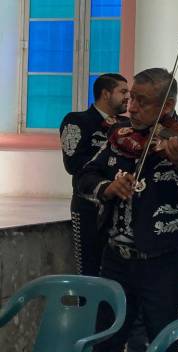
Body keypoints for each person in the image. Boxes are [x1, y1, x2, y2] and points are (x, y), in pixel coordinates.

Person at [78, 68, 178, 351]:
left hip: (164, 263)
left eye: (143, 101)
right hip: (116, 259)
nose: (133, 107)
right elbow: (86, 177)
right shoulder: (119, 135)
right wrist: (107, 188)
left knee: (166, 340)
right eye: (131, 99)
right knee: (106, 339)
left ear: (167, 106)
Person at [59, 73, 129, 276]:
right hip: (90, 208)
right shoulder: (76, 121)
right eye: (123, 91)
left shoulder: (127, 125)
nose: (128, 97)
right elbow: (73, 164)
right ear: (106, 94)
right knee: (89, 271)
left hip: (121, 211)